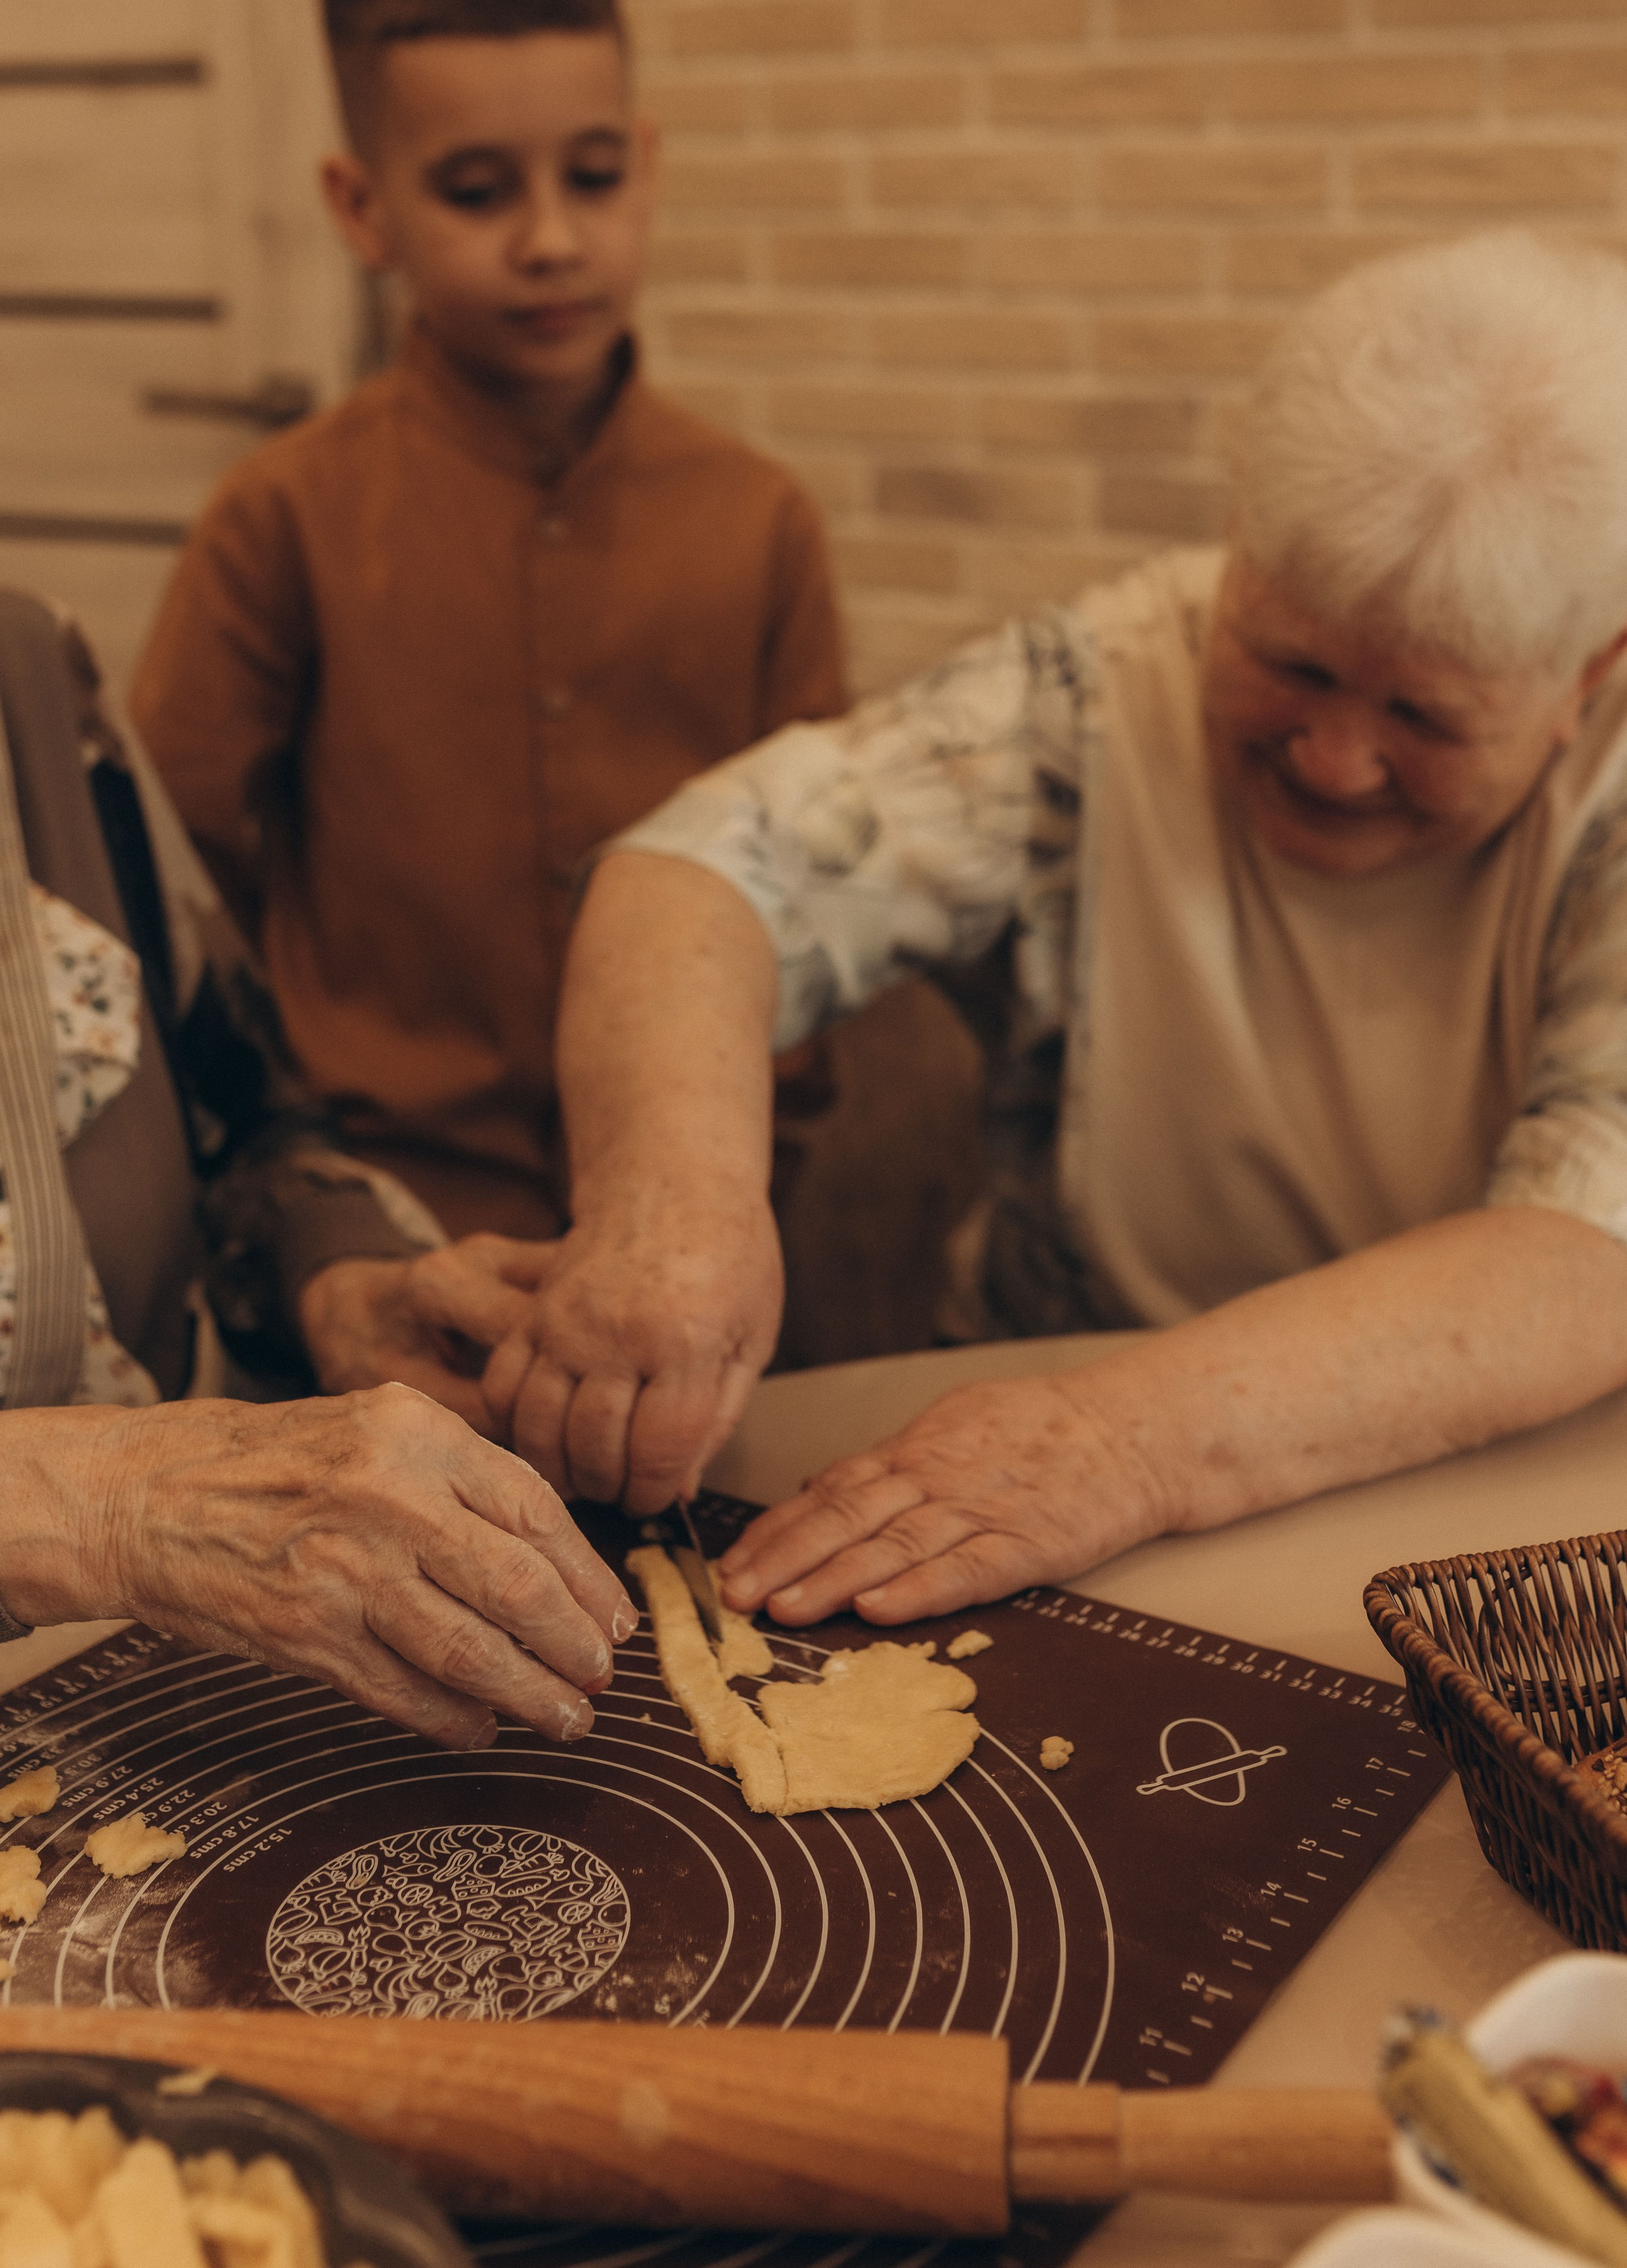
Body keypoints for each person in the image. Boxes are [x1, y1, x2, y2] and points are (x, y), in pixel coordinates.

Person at [479, 227, 1627, 1628]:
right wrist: (674, 1208)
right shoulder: (1092, 696)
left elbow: (1586, 1246)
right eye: (1288, 661)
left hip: (1513, 1522)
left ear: (1589, 675)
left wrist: (1120, 1442)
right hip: (1051, 1459)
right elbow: (703, 872)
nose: (1332, 757)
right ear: (1240, 531)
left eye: (1422, 716)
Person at [128, 0, 846, 1266]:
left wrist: (746, 1209)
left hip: (695, 1237)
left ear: (644, 166)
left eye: (591, 177)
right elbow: (175, 906)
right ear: (362, 207)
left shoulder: (758, 523)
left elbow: (816, 899)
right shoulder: (281, 519)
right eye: (476, 190)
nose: (550, 240)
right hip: (375, 1240)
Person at [0, 585, 630, 1749]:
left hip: (121, 1708)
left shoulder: (30, 669)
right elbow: (121, 1497)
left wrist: (335, 1284)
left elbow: (239, 1110)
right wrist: (109, 1502)